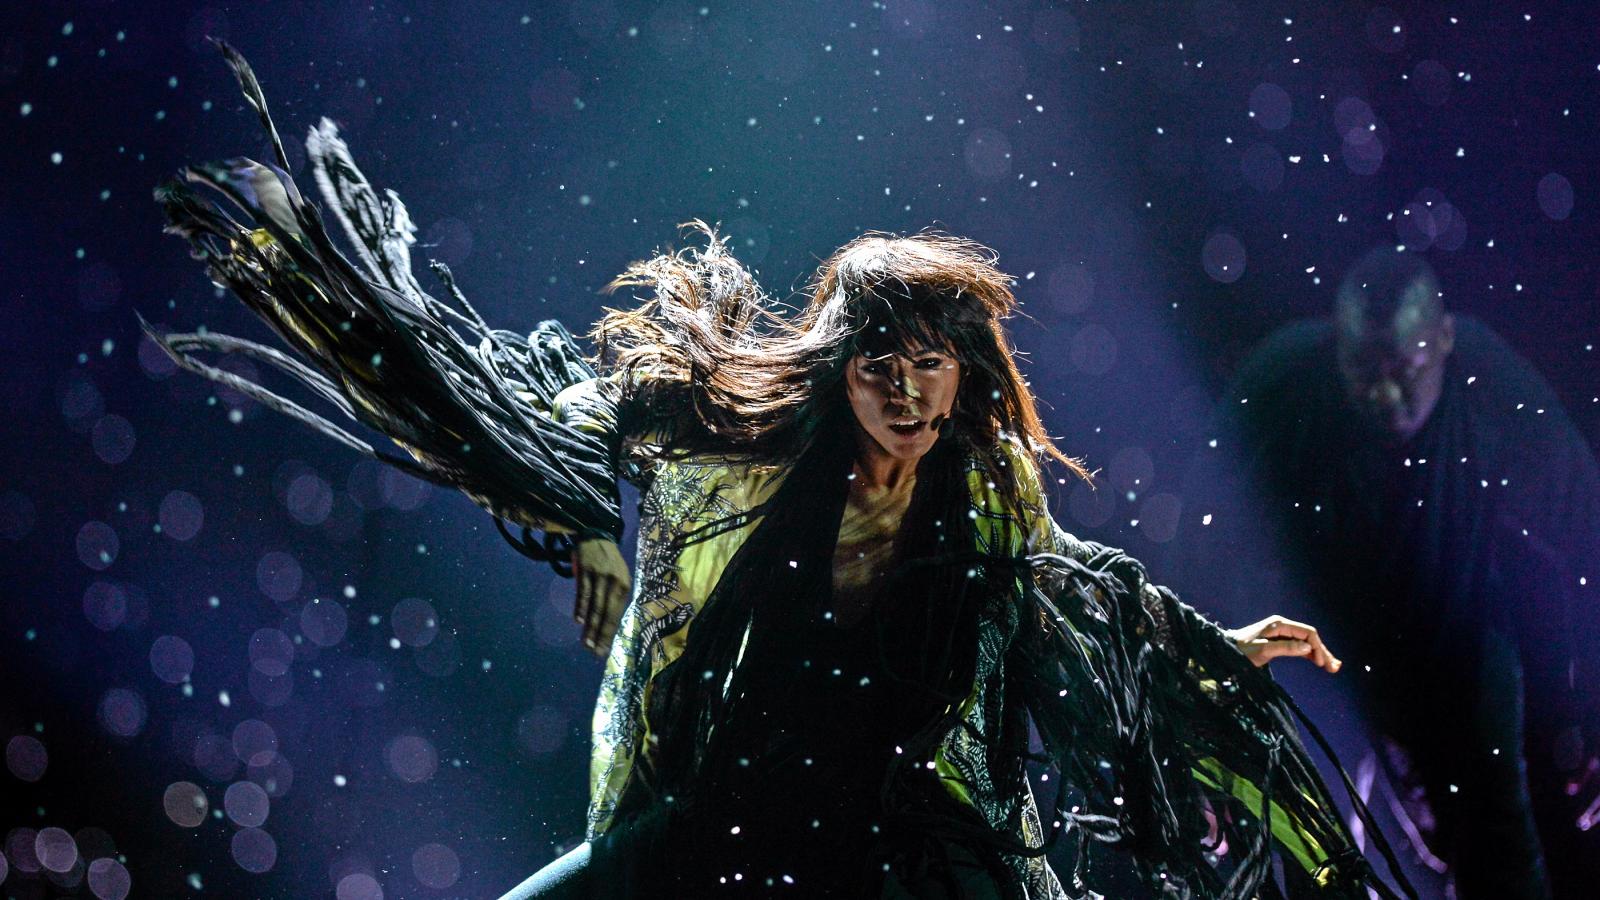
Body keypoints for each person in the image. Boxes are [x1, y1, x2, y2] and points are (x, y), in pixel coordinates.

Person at [147, 44, 1414, 899]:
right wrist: (583, 523)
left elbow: (1072, 593)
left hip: (906, 840)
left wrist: (1214, 649)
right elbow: (579, 407)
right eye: (881, 365)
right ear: (836, 370)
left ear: (965, 374)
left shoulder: (985, 498)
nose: (907, 391)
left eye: (931, 365)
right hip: (731, 815)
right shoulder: (756, 447)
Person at [1170, 246, 1600, 898]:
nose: (1383, 395)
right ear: (1336, 347)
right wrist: (1195, 725)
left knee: (1497, 838)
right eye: (1364, 372)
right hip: (1317, 649)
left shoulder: (1490, 384)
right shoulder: (1282, 384)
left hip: (1461, 640)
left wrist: (1591, 714)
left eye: (1405, 371)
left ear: (1444, 341)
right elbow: (1197, 552)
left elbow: (1586, 533)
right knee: (1317, 847)